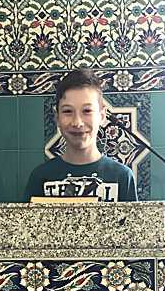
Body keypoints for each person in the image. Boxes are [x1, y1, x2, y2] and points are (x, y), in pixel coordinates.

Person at [23, 68, 137, 202]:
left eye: (87, 111)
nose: (77, 123)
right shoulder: (40, 177)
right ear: (57, 118)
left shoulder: (122, 176)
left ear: (102, 116)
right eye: (67, 111)